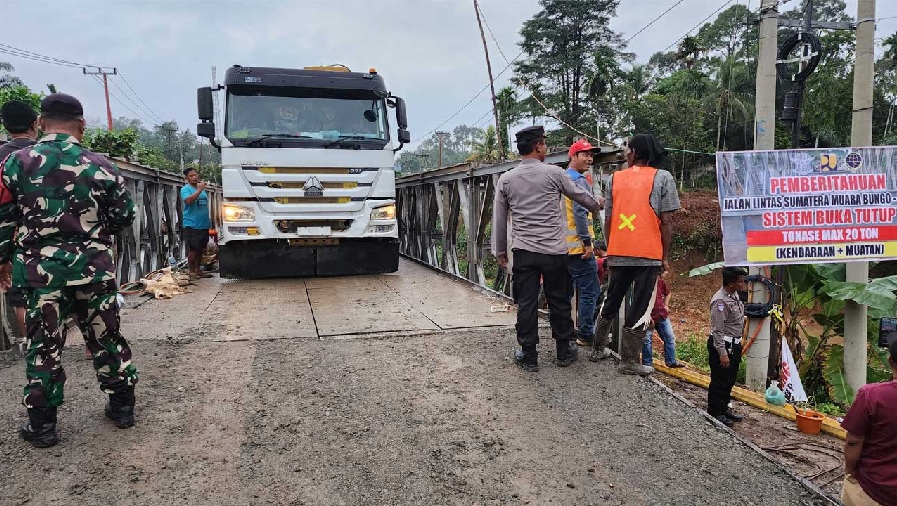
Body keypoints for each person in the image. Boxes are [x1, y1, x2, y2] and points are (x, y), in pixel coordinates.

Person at [0, 93, 139, 448]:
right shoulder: (101, 164)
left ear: (41, 123)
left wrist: (3, 259)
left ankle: (43, 428)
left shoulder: (16, 163)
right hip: (93, 268)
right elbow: (124, 216)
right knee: (106, 338)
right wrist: (93, 232)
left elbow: (3, 219)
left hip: (39, 272)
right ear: (81, 125)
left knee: (43, 346)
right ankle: (122, 408)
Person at [492, 126, 603, 372]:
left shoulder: (507, 179)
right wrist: (598, 205)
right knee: (559, 301)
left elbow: (500, 220)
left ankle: (529, 354)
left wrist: (501, 251)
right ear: (539, 146)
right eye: (544, 144)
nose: (546, 148)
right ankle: (564, 351)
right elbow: (582, 198)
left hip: (524, 253)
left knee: (528, 303)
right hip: (554, 252)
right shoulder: (554, 173)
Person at [589, 134, 680, 376]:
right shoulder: (662, 177)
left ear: (636, 152)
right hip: (648, 254)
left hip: (619, 252)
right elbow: (667, 221)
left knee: (611, 299)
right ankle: (629, 361)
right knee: (640, 305)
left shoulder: (615, 179)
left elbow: (608, 218)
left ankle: (597, 348)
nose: (625, 153)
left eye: (628, 148)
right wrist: (664, 256)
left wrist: (613, 246)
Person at [840, 336, 897, 506]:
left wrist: (849, 472)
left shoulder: (872, 395)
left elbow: (853, 441)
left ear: (890, 361)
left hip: (872, 490)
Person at [0, 100, 38, 342]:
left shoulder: (2, 157)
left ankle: (35, 346)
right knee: (68, 289)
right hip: (52, 233)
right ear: (35, 125)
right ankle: (90, 345)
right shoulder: (47, 154)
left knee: (20, 295)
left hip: (14, 238)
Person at [563, 139, 604, 348]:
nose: (589, 159)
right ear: (573, 156)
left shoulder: (560, 179)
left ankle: (565, 332)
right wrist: (588, 243)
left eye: (591, 155)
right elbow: (580, 211)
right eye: (585, 155)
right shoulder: (579, 180)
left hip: (561, 247)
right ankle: (586, 334)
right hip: (579, 248)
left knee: (565, 292)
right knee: (590, 291)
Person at [707, 266, 747, 427]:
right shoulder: (720, 301)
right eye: (741, 281)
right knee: (719, 380)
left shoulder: (734, 295)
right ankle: (715, 411)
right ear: (731, 283)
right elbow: (718, 329)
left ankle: (724, 408)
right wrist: (722, 353)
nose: (743, 284)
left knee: (729, 379)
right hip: (723, 345)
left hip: (734, 343)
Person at [642, 270, 684, 368]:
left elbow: (668, 293)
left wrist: (666, 305)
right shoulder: (643, 283)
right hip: (648, 317)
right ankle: (647, 364)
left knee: (670, 337)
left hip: (661, 314)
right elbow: (640, 301)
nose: (666, 273)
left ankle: (671, 361)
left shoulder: (660, 282)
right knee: (647, 340)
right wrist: (647, 316)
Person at [181, 168, 213, 279]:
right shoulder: (185, 189)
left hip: (203, 223)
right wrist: (199, 190)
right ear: (187, 178)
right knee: (193, 248)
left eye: (195, 175)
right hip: (192, 224)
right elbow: (188, 201)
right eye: (191, 176)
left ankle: (198, 269)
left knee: (201, 248)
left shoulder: (202, 189)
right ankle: (191, 271)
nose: (194, 177)